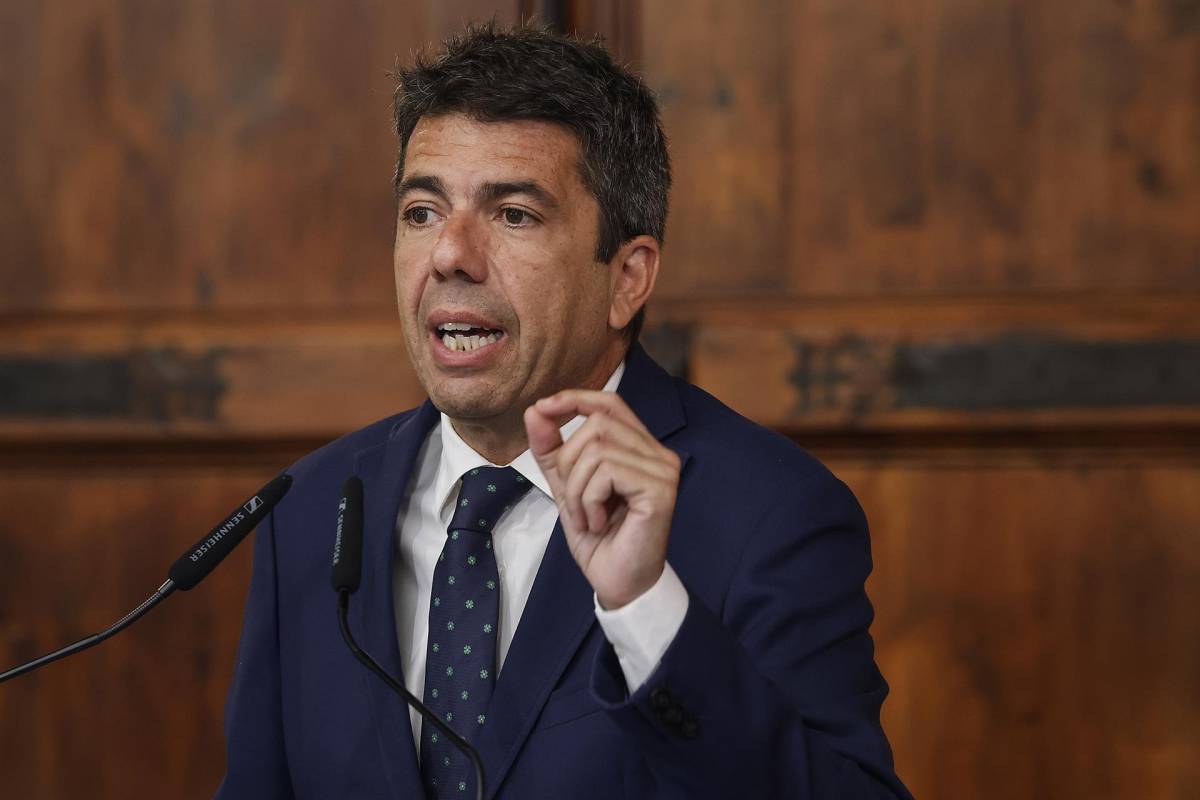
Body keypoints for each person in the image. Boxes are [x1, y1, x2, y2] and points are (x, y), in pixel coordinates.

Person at [217, 24, 913, 800]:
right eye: (422, 211)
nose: (449, 254)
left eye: (513, 214)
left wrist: (644, 610)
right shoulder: (310, 509)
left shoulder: (770, 514)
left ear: (627, 278)